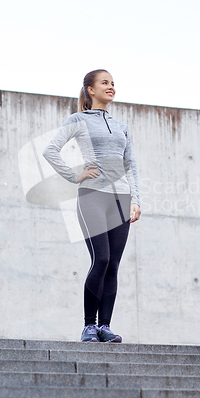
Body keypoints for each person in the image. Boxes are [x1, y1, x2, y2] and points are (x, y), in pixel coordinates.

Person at [42, 69, 141, 343]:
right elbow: (50, 150)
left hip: (120, 199)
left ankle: (105, 326)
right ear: (90, 90)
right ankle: (89, 326)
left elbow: (130, 165)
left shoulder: (122, 126)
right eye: (104, 83)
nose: (111, 87)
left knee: (114, 265)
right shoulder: (78, 120)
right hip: (92, 197)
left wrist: (136, 200)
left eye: (113, 83)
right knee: (102, 258)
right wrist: (75, 176)